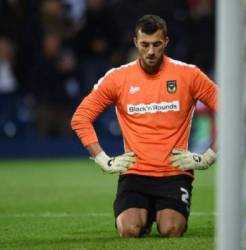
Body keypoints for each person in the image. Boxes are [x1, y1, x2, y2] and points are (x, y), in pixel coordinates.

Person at [71, 14, 218, 238]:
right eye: (145, 44)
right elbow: (80, 118)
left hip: (174, 171)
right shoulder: (117, 78)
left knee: (171, 229)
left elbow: (232, 112)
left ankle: (159, 213)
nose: (151, 51)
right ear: (135, 43)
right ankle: (144, 213)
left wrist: (208, 156)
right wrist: (103, 159)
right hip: (135, 173)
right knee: (128, 230)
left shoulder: (189, 75)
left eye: (157, 44)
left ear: (166, 43)